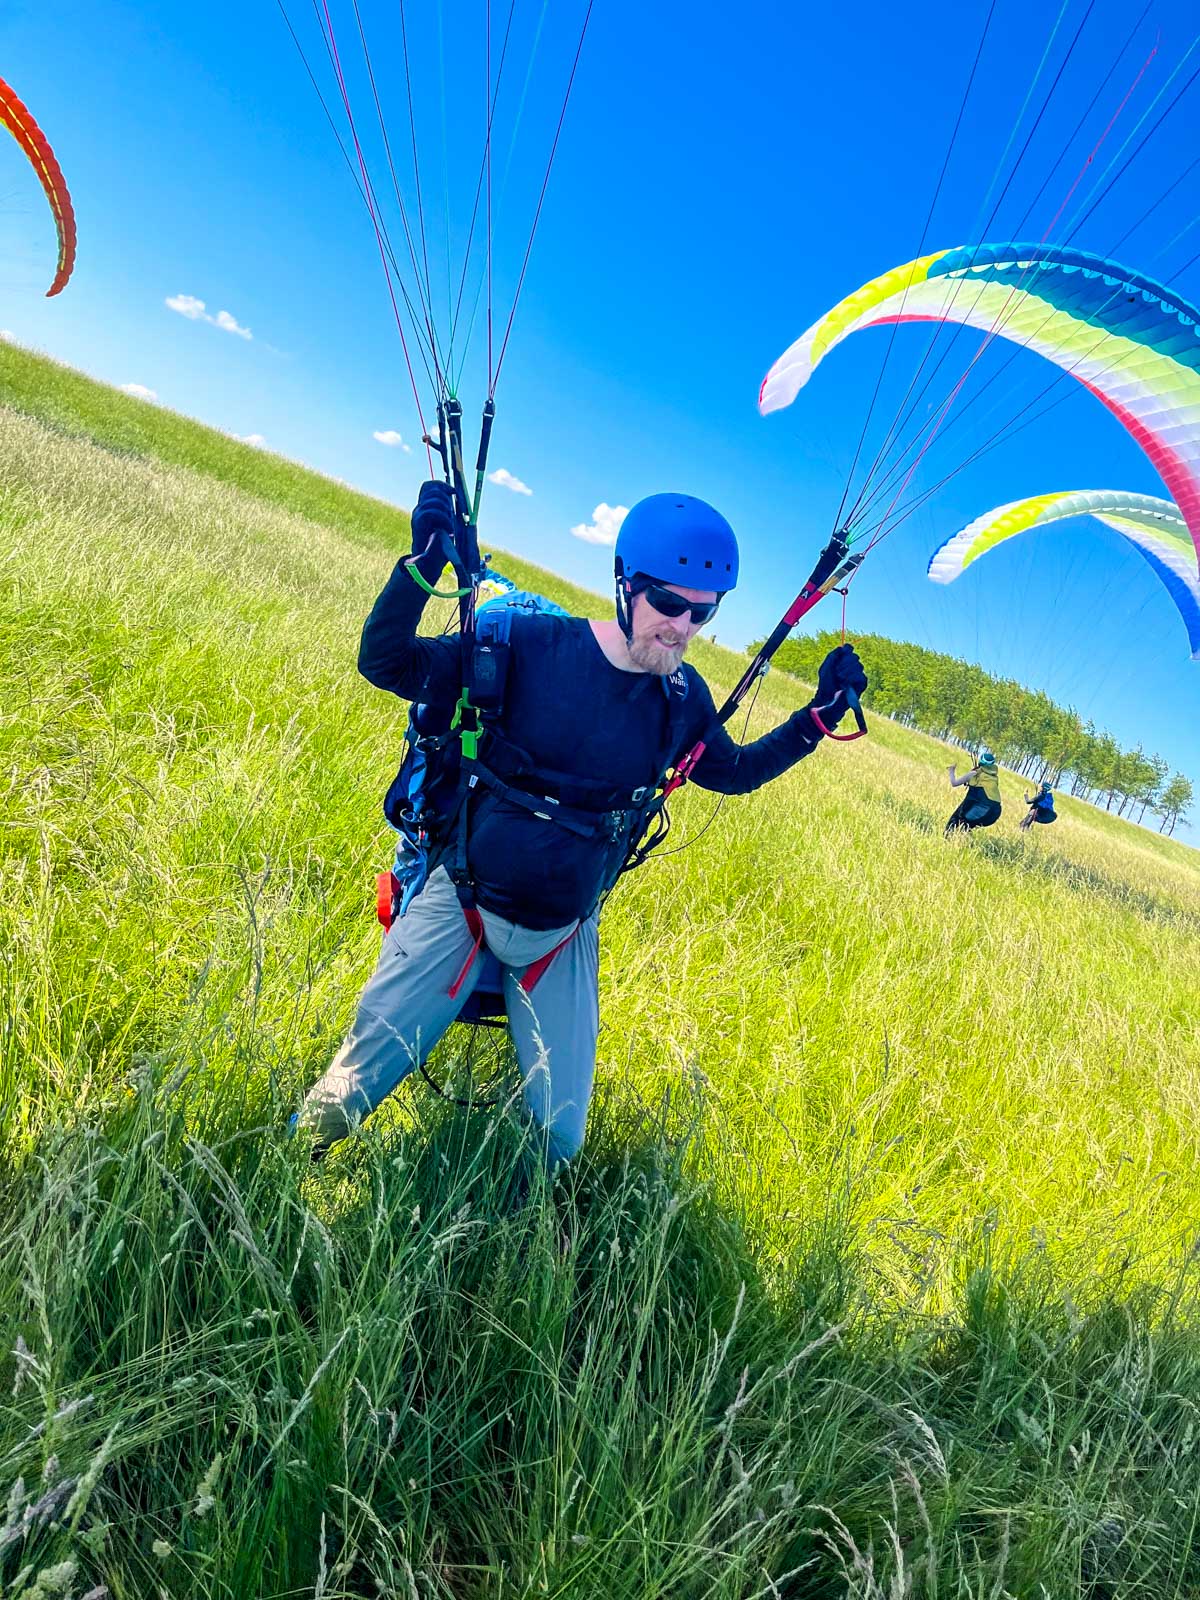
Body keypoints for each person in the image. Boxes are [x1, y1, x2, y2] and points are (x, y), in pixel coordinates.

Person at [295, 482, 867, 1166]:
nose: (683, 627)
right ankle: (279, 1172)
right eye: (669, 604)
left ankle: (511, 1226)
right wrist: (422, 567)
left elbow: (733, 771)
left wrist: (817, 718)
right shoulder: (522, 645)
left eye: (703, 613)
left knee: (559, 1145)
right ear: (626, 585)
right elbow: (386, 663)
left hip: (561, 937)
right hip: (462, 906)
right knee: (341, 1100)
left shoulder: (682, 698)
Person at [945, 749, 1002, 834]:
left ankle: (947, 837)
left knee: (957, 819)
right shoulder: (994, 778)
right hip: (994, 813)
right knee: (967, 826)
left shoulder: (975, 773)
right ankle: (963, 839)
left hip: (982, 809)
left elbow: (954, 783)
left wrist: (951, 770)